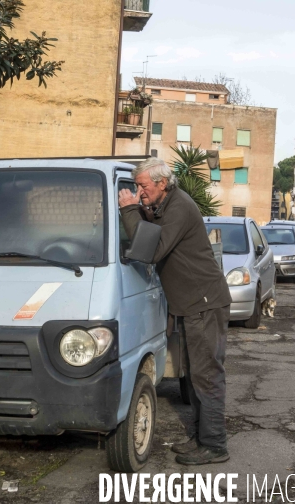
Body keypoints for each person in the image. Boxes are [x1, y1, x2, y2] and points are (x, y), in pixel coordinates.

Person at [118, 158, 232, 466]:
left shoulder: (179, 207)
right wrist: (140, 210)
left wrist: (129, 210)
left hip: (204, 304)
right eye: (136, 186)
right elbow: (153, 229)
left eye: (142, 186)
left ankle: (215, 446)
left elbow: (151, 251)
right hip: (195, 304)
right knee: (196, 375)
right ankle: (201, 438)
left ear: (162, 184)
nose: (138, 191)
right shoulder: (166, 206)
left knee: (207, 376)